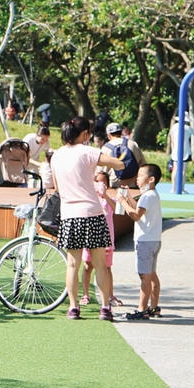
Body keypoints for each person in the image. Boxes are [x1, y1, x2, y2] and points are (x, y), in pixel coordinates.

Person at [52, 116, 127, 321]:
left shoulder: (56, 156)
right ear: (85, 134)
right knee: (100, 264)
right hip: (93, 213)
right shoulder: (88, 151)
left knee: (72, 265)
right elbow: (118, 165)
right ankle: (104, 308)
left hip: (69, 215)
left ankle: (74, 307)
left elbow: (57, 188)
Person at [118, 164, 163, 320]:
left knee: (144, 276)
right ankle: (154, 307)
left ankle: (142, 309)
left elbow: (136, 215)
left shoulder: (147, 196)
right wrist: (129, 197)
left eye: (140, 175)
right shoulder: (152, 195)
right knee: (151, 275)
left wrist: (123, 202)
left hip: (145, 241)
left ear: (151, 179)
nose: (137, 178)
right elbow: (141, 210)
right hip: (154, 239)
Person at [79, 170, 116, 307]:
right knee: (88, 266)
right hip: (90, 238)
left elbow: (117, 209)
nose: (100, 185)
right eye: (97, 181)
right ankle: (85, 294)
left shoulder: (109, 200)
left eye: (103, 182)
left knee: (107, 268)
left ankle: (110, 295)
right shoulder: (89, 200)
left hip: (107, 241)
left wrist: (105, 195)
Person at [102, 122, 144, 187]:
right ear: (121, 132)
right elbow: (143, 164)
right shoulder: (133, 144)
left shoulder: (106, 148)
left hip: (115, 184)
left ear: (109, 135)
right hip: (134, 183)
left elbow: (102, 171)